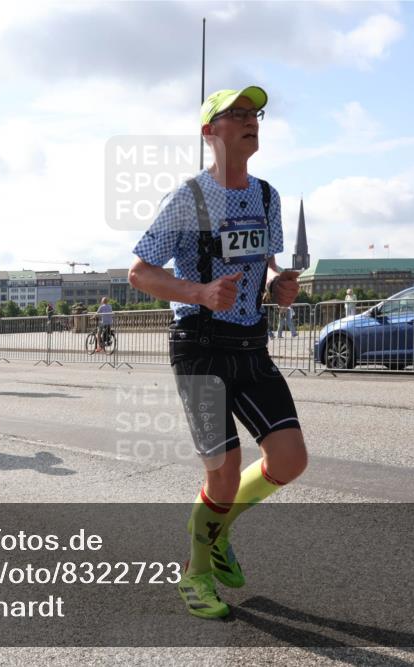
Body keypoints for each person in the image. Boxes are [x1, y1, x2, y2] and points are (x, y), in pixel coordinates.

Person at [128, 86, 308, 619]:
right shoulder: (189, 198)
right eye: (237, 114)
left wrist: (280, 286)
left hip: (251, 344)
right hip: (200, 349)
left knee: (290, 459)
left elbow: (267, 265)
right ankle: (196, 573)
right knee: (223, 476)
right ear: (210, 132)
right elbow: (140, 273)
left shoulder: (267, 196)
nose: (251, 121)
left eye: (255, 114)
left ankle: (216, 524)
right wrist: (201, 293)